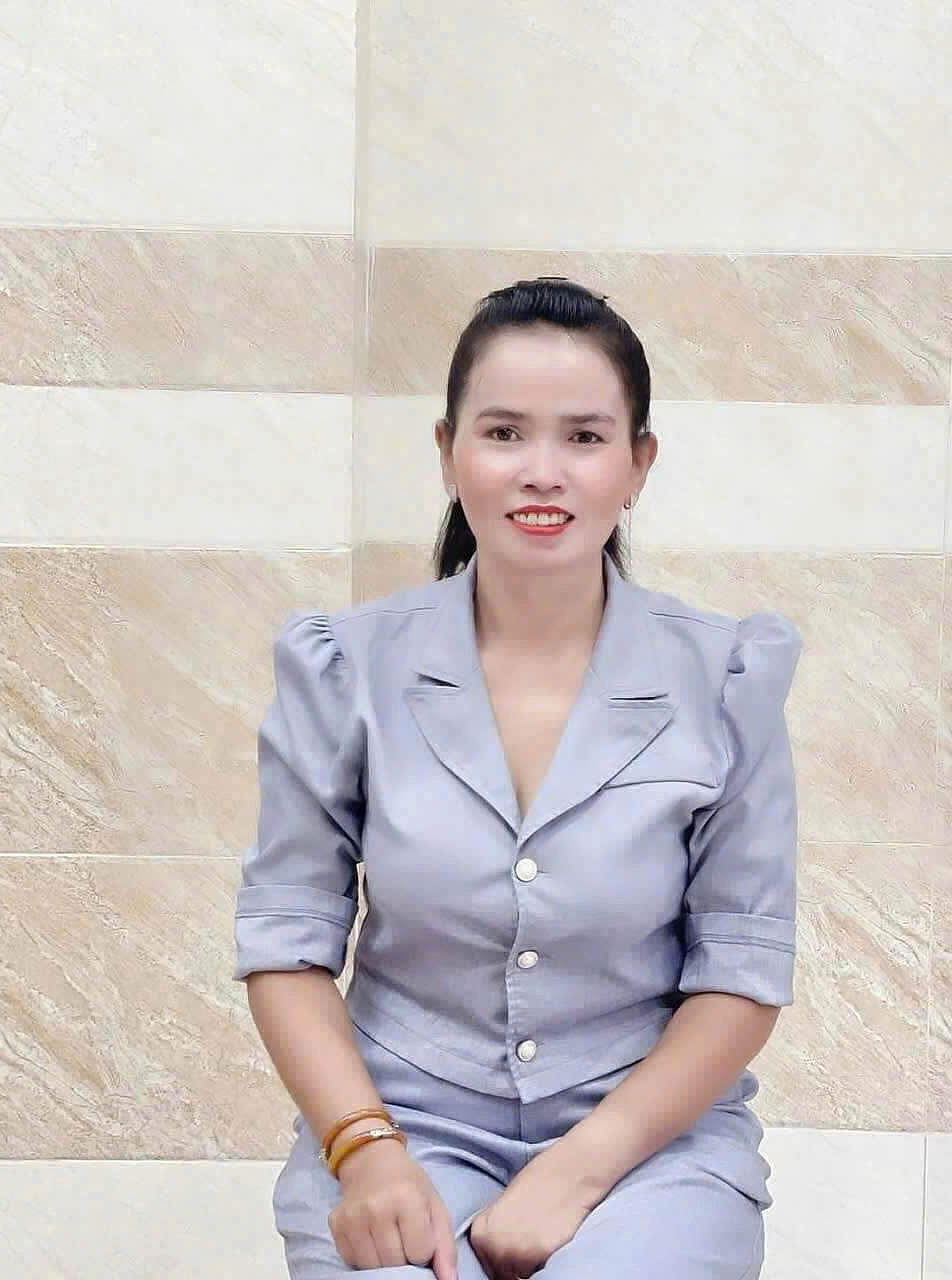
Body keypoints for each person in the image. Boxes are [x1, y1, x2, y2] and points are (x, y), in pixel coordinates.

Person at [233, 276, 803, 1279]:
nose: (543, 472)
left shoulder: (726, 680)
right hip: (399, 1127)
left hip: (650, 1143)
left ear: (638, 463)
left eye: (584, 437)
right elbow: (286, 942)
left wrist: (578, 1170)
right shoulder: (343, 668)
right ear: (448, 451)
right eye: (504, 433)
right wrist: (364, 1150)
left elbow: (740, 971)